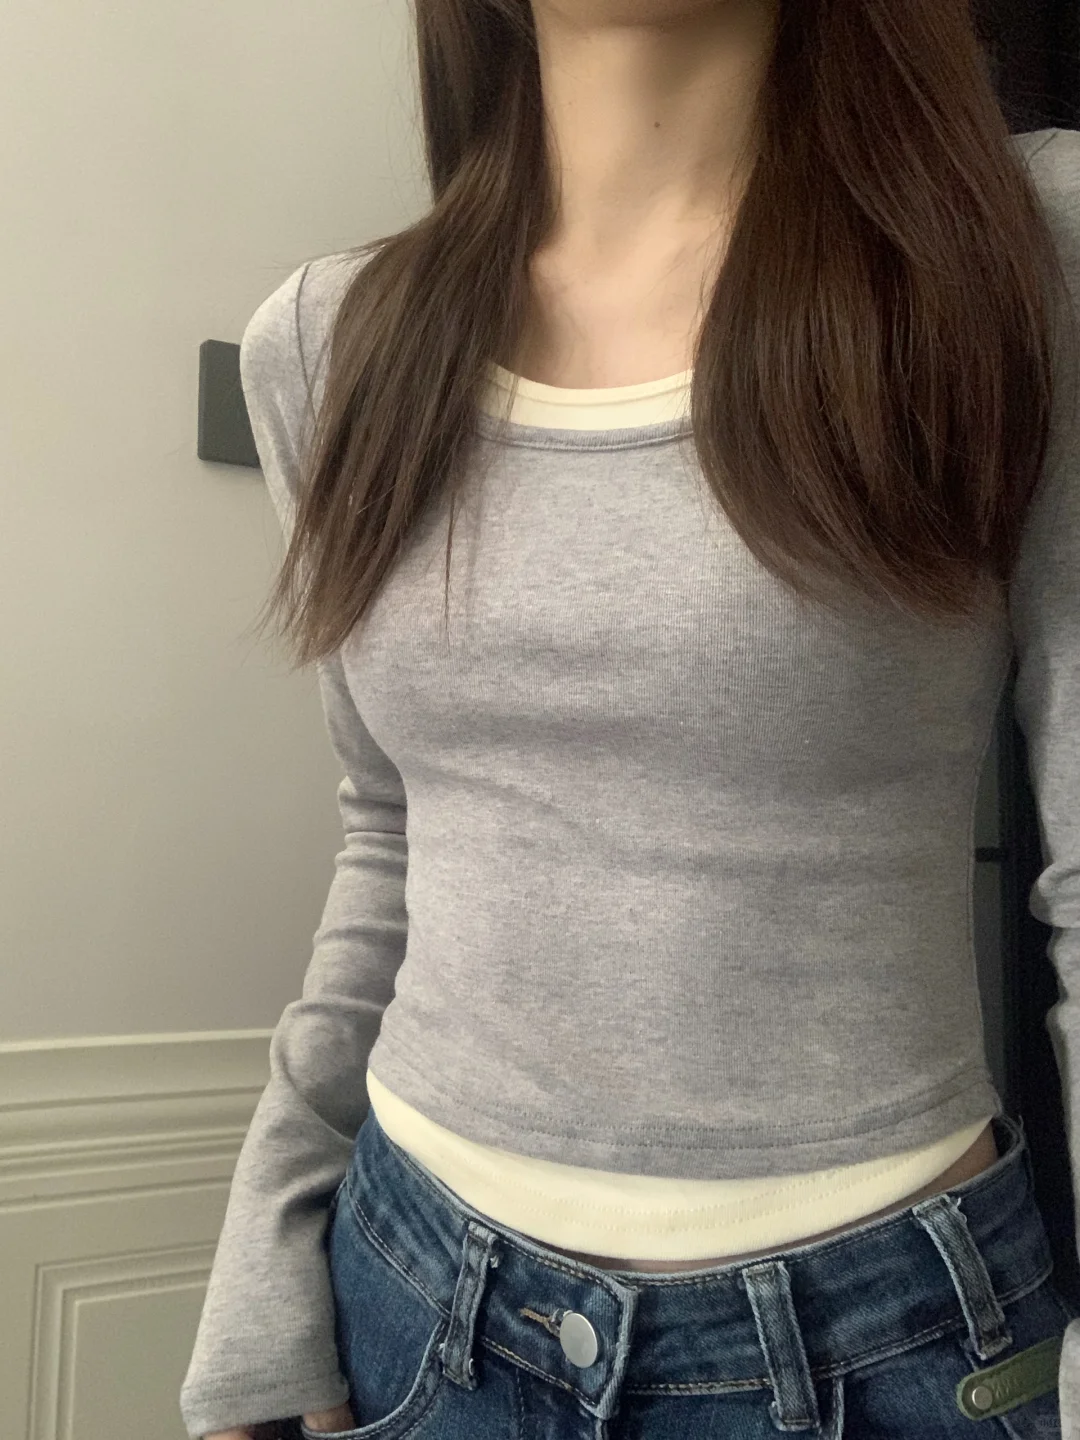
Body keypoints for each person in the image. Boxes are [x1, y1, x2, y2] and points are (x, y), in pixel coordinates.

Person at [180, 0, 1080, 1435]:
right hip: (411, 1301)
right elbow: (392, 830)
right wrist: (264, 1256)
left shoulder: (1026, 252)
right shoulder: (328, 341)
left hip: (889, 1340)